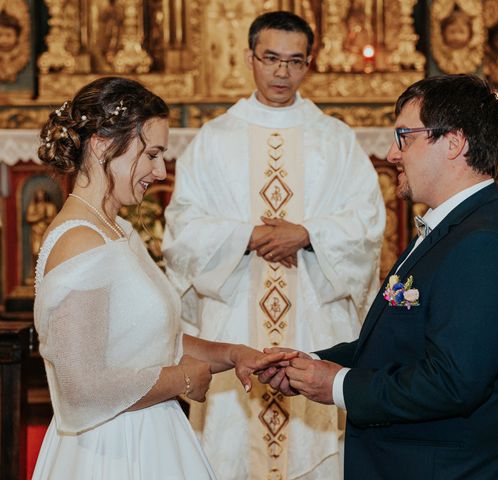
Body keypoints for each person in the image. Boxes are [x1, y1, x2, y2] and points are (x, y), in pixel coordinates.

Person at [259, 74, 498, 479]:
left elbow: (452, 382)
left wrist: (338, 385)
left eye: (405, 136)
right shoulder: (450, 229)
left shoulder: (484, 243)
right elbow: (399, 347)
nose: (392, 153)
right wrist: (312, 365)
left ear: (454, 143)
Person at [163, 10, 385, 480]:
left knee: (318, 447)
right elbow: (182, 231)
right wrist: (245, 237)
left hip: (314, 319)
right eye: (271, 58)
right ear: (250, 58)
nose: (282, 71)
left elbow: (367, 224)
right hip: (235, 315)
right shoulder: (213, 140)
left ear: (309, 64)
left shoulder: (336, 140)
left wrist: (307, 234)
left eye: (294, 60)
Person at [32, 76, 291, 479]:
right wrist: (183, 378)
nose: (160, 169)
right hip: (111, 451)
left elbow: (147, 339)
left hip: (147, 433)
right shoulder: (80, 242)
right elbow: (80, 390)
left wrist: (234, 354)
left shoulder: (115, 229)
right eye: (151, 153)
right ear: (102, 144)